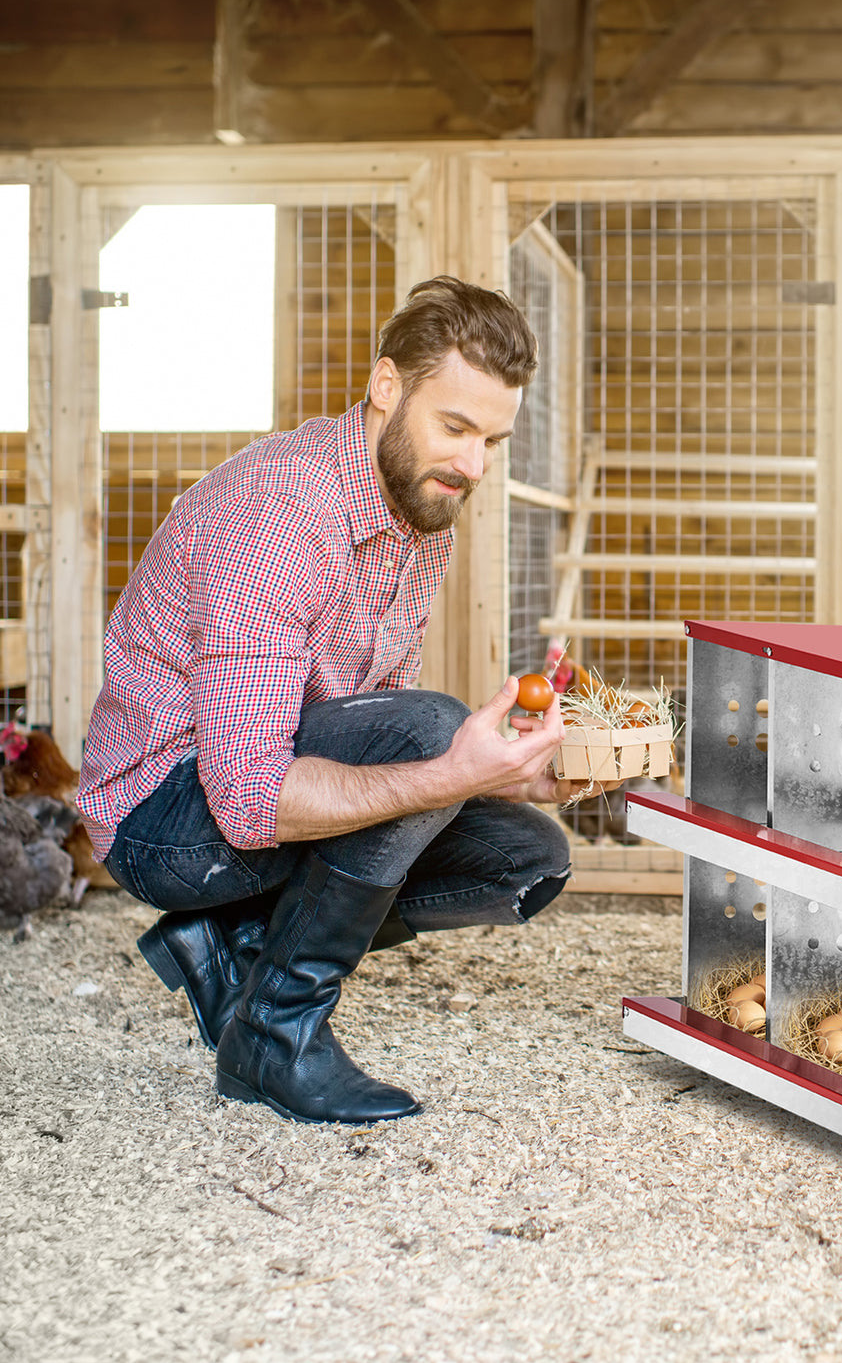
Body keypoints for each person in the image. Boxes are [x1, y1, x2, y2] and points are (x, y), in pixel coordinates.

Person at [75, 277, 581, 1126]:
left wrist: (503, 775)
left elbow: (365, 724)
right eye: (454, 427)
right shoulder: (278, 516)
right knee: (430, 730)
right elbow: (248, 801)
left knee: (525, 857)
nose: (473, 464)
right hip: (162, 817)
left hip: (260, 791)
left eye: (492, 438)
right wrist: (445, 766)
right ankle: (274, 1035)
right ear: (387, 386)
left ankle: (233, 942)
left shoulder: (420, 509)